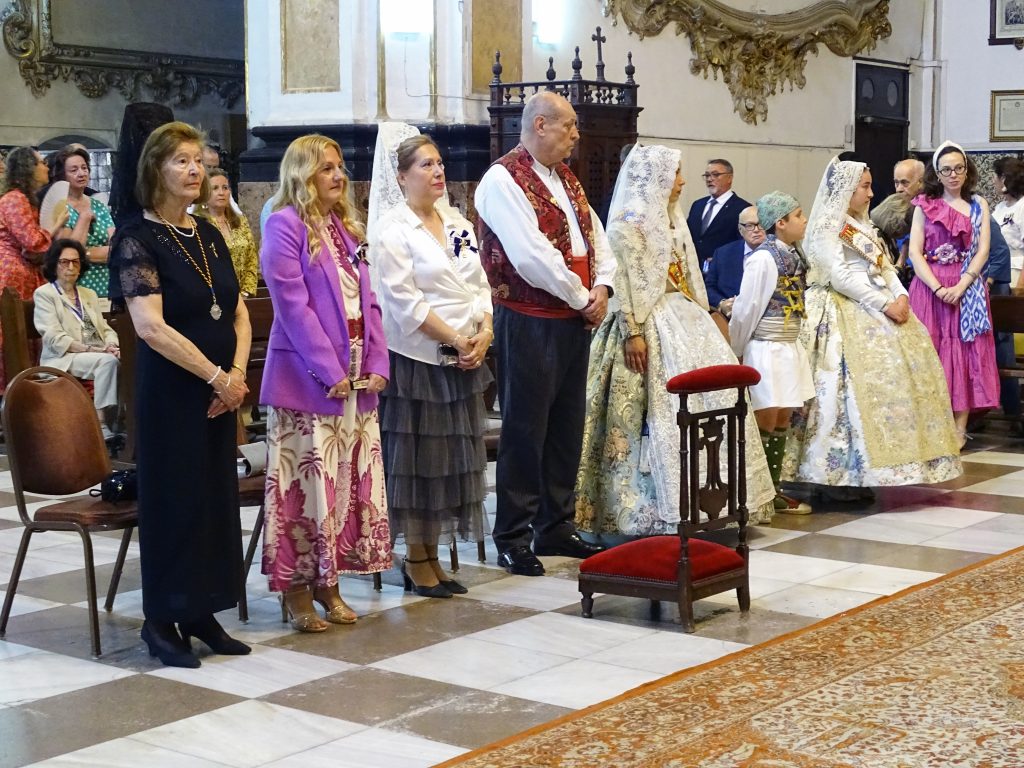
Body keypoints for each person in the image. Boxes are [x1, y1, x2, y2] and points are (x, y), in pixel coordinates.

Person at [575, 145, 775, 535]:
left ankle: (717, 499)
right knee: (646, 414)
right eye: (676, 174)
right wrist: (633, 331)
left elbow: (688, 276)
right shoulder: (626, 225)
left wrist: (705, 314)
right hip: (643, 326)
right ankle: (647, 510)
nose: (683, 182)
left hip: (683, 318)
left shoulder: (672, 219)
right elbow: (621, 281)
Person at [108, 121, 251, 668]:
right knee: (175, 501)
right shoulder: (136, 238)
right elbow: (150, 327)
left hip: (220, 391)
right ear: (155, 169)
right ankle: (161, 619)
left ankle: (201, 612)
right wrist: (217, 377)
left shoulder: (208, 233)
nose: (195, 170)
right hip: (173, 392)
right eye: (181, 161)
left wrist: (235, 376)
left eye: (199, 160)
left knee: (213, 499)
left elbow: (237, 311)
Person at [475, 91, 614, 576]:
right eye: (569, 125)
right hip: (529, 318)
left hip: (573, 317)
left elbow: (596, 238)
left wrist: (604, 286)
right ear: (539, 125)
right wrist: (581, 296)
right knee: (525, 428)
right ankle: (513, 535)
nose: (576, 134)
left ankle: (555, 524)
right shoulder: (503, 179)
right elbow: (530, 255)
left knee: (565, 427)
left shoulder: (566, 179)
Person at [260, 134, 392, 632]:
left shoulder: (345, 228)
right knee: (307, 487)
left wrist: (377, 361)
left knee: (343, 485)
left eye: (339, 167)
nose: (339, 176)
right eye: (326, 168)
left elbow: (369, 302)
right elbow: (292, 305)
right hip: (308, 380)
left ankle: (329, 585)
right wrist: (328, 369)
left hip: (356, 378)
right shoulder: (284, 225)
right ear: (302, 175)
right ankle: (296, 592)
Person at [783, 158, 962, 497]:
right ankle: (834, 475)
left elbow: (886, 266)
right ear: (846, 190)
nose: (870, 194)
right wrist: (883, 304)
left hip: (881, 304)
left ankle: (871, 471)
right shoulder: (828, 225)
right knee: (840, 394)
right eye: (864, 187)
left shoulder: (862, 225)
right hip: (842, 308)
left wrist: (901, 295)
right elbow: (839, 276)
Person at [370, 128, 492, 597]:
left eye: (440, 163)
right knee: (419, 466)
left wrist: (484, 331)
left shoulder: (456, 221)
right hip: (417, 362)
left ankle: (434, 556)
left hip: (462, 358)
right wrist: (457, 339)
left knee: (450, 465)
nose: (438, 171)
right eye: (426, 164)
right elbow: (405, 303)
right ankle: (415, 558)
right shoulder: (393, 230)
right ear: (402, 177)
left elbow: (479, 284)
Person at [907, 141, 999, 446]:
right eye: (946, 170)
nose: (953, 174)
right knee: (931, 353)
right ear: (937, 173)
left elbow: (983, 250)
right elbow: (915, 252)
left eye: (959, 168)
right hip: (930, 288)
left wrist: (961, 285)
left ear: (967, 170)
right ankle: (931, 425)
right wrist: (937, 287)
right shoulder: (924, 204)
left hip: (966, 287)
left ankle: (959, 427)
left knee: (964, 354)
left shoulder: (978, 205)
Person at [729, 191, 814, 514]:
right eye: (798, 215)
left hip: (788, 345)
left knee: (783, 416)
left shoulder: (794, 254)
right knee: (765, 416)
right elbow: (747, 309)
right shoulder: (762, 259)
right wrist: (738, 349)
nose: (804, 220)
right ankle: (757, 494)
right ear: (780, 223)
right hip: (766, 347)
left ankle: (774, 489)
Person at [0, 147, 81, 393]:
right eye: (41, 163)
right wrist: (57, 224)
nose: (46, 167)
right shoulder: (14, 199)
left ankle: (29, 394)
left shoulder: (26, 199)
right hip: (11, 275)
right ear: (28, 168)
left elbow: (32, 250)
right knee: (13, 336)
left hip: (26, 271)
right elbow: (33, 242)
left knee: (29, 336)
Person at [33, 239, 121, 438]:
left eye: (76, 262)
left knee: (125, 358)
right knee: (107, 362)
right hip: (64, 357)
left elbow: (105, 329)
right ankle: (100, 423)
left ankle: (123, 422)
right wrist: (92, 350)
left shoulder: (88, 294)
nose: (71, 267)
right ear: (54, 264)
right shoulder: (45, 294)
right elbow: (54, 338)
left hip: (95, 352)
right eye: (64, 262)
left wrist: (111, 344)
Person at [52, 147, 117, 298]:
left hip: (107, 283)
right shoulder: (60, 207)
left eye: (84, 168)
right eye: (74, 170)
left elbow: (116, 248)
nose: (81, 173)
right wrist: (84, 218)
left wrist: (86, 253)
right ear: (63, 175)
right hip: (77, 285)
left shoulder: (98, 205)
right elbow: (69, 253)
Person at [195, 168, 259, 296]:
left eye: (225, 188)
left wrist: (246, 293)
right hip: (213, 296)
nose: (221, 193)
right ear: (204, 193)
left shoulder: (240, 221)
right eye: (215, 188)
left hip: (244, 295)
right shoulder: (198, 224)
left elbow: (251, 259)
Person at [686, 159, 751, 269]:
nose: (710, 179)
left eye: (715, 175)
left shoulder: (743, 208)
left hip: (724, 270)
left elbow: (744, 244)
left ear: (729, 178)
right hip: (694, 269)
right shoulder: (698, 205)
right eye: (707, 175)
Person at [704, 205, 766, 314]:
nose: (756, 230)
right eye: (749, 225)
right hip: (730, 317)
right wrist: (721, 303)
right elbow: (709, 287)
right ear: (740, 230)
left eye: (761, 224)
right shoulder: (723, 254)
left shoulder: (780, 253)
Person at [992, 157, 1024, 290]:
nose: (993, 181)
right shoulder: (1000, 207)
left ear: (1004, 178)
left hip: (1017, 272)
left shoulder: (1022, 206)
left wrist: (1021, 285)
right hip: (998, 271)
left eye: (995, 176)